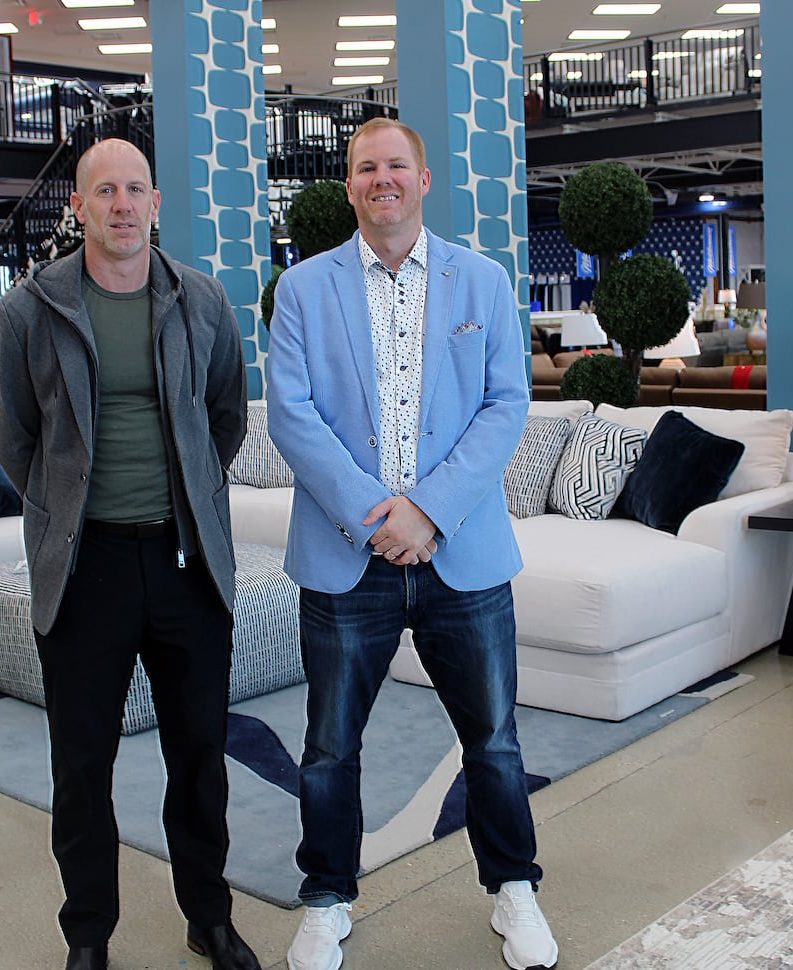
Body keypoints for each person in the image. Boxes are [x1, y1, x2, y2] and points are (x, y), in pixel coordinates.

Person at [266, 118, 560, 970]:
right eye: (366, 168)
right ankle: (325, 900)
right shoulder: (303, 291)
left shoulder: (483, 281)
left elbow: (506, 406)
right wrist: (376, 513)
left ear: (424, 181)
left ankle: (514, 892)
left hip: (461, 555)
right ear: (349, 185)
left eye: (396, 165)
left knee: (495, 742)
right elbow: (293, 415)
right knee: (328, 749)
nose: (381, 179)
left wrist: (427, 512)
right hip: (343, 557)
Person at [0, 137, 259, 970]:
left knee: (200, 758)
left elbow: (226, 417)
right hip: (85, 569)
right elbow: (14, 439)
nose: (121, 205)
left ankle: (208, 918)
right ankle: (88, 936)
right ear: (78, 206)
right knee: (81, 767)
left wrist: (182, 499)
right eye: (104, 190)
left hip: (185, 564)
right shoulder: (31, 310)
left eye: (136, 188)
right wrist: (72, 506)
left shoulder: (200, 300)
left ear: (156, 203)